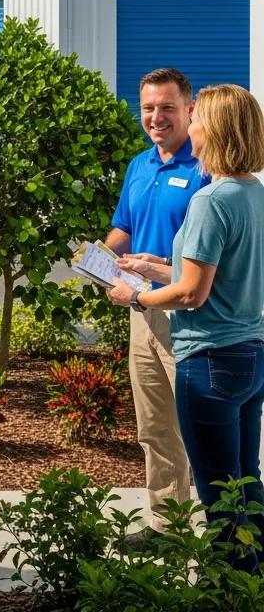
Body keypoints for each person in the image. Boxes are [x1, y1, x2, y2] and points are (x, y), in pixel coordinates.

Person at [109, 84, 264, 570]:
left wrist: (134, 293)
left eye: (194, 117)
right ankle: (251, 574)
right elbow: (213, 273)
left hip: (208, 355)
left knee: (218, 487)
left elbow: (192, 294)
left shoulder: (210, 199)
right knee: (243, 478)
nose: (187, 125)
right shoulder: (252, 192)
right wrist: (158, 266)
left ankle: (226, 588)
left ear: (211, 129)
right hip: (248, 350)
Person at [105, 68, 207, 547]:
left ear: (189, 109)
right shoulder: (140, 165)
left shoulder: (205, 167)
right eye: (149, 108)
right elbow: (123, 228)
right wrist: (104, 261)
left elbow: (207, 257)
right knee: (155, 427)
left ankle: (227, 528)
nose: (157, 117)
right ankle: (168, 526)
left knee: (200, 428)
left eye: (167, 107)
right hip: (141, 312)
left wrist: (159, 267)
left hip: (188, 315)